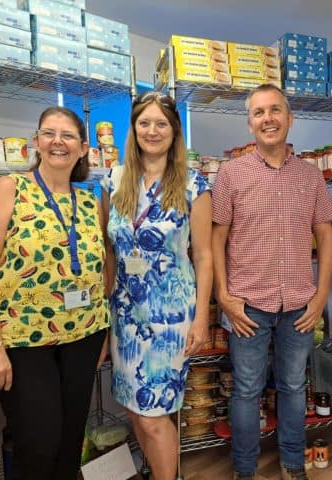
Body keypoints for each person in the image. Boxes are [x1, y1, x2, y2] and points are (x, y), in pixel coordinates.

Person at [0, 106, 110, 480]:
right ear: (37, 142)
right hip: (24, 342)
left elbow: (101, 266)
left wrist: (103, 329)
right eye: (49, 133)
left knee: (68, 445)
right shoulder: (10, 188)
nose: (58, 141)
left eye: (68, 136)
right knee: (38, 444)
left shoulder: (90, 201)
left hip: (84, 336)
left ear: (82, 149)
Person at [212, 83, 332, 480]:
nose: (268, 119)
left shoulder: (311, 176)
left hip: (299, 304)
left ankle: (293, 463)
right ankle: (244, 470)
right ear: (249, 124)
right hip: (247, 304)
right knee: (246, 391)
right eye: (259, 112)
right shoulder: (231, 175)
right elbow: (216, 238)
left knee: (294, 387)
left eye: (275, 110)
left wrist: (321, 295)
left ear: (289, 118)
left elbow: (326, 235)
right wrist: (224, 296)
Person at [101, 92, 212, 480]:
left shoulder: (194, 185)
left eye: (161, 123)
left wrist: (200, 319)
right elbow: (109, 253)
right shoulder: (113, 181)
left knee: (153, 417)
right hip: (126, 315)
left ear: (174, 132)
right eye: (144, 123)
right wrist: (105, 312)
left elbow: (204, 257)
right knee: (134, 409)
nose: (152, 130)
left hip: (170, 318)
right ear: (134, 129)